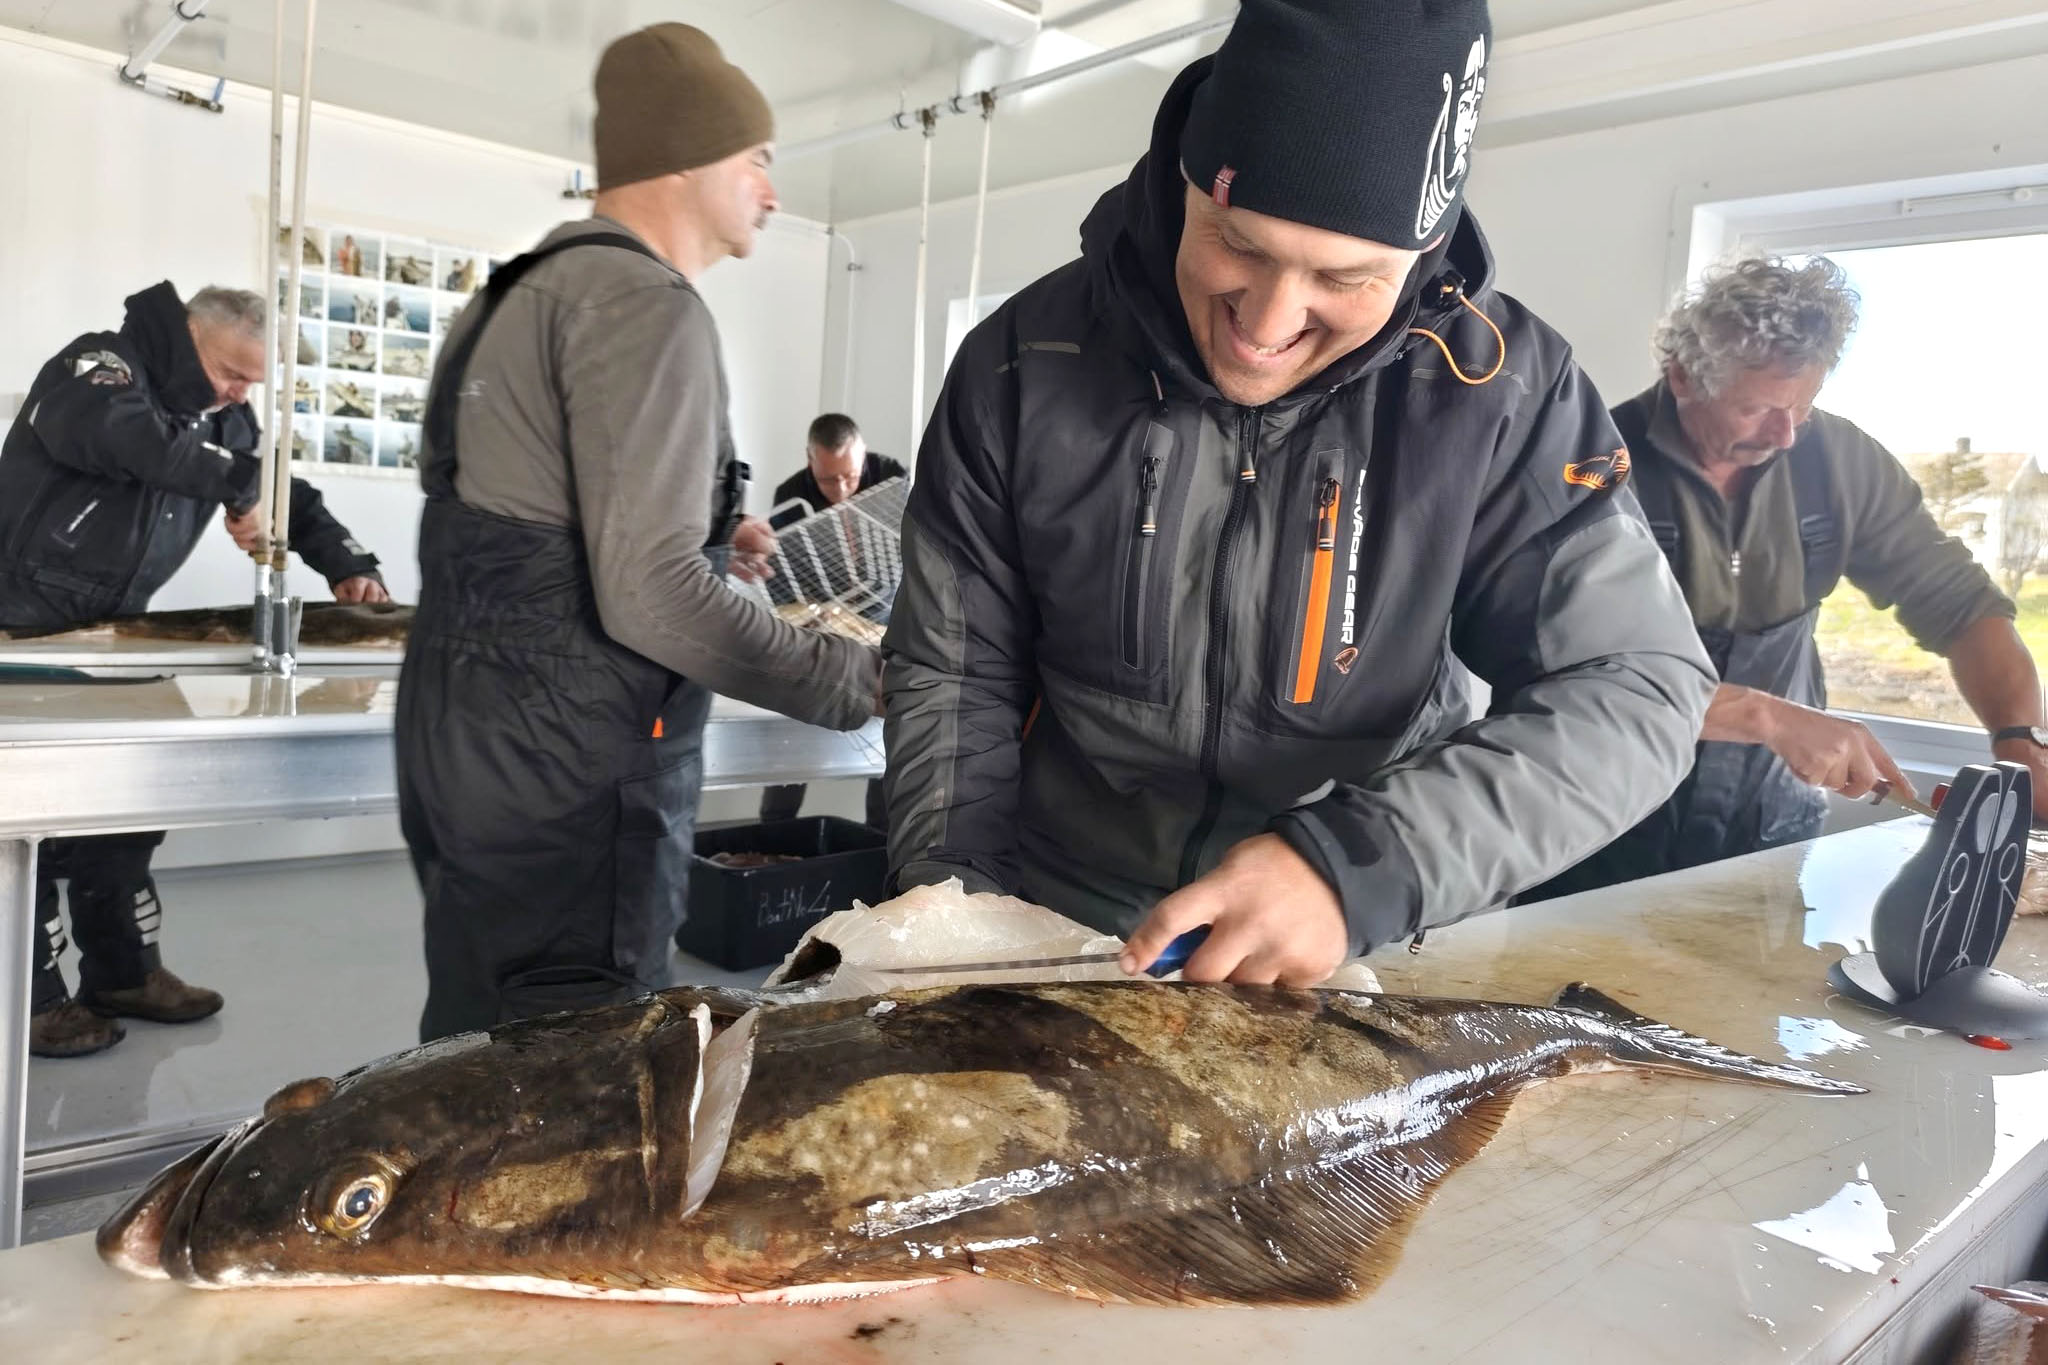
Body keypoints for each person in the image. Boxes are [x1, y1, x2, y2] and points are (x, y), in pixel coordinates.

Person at [882, 0, 1717, 988]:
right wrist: (954, 917)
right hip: (1066, 920)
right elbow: (953, 672)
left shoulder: (1499, 396)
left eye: (1342, 276)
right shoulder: (1021, 364)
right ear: (1182, 180)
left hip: (1350, 934)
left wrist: (1356, 867)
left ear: (1420, 258)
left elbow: (1636, 687)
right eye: (1237, 244)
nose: (1267, 322)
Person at [397, 22, 881, 1042]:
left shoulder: (513, 293)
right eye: (757, 159)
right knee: (573, 1070)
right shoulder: (645, 305)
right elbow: (651, 592)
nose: (771, 190)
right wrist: (845, 678)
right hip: (573, 771)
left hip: (469, 741)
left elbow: (535, 514)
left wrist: (715, 529)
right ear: (689, 159)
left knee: (481, 1035)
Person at [1530, 256, 2047, 899]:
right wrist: (1769, 719)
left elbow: (1960, 605)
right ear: (1684, 377)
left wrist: (2020, 738)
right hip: (1594, 830)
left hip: (1770, 833)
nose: (1785, 433)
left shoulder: (1837, 459)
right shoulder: (1591, 467)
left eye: (1804, 405)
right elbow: (1563, 674)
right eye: (1758, 409)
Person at [0, 283, 388, 1057]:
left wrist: (346, 563)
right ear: (187, 336)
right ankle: (29, 998)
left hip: (114, 632)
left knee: (132, 804)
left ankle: (121, 971)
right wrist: (237, 482)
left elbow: (277, 484)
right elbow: (130, 442)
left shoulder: (218, 418)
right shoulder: (98, 368)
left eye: (251, 383)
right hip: (20, 629)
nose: (239, 393)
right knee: (27, 824)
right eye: (230, 373)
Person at [758, 412, 905, 829]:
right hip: (821, 639)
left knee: (885, 752)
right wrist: (819, 618)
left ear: (863, 457)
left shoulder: (891, 479)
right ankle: (773, 838)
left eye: (850, 476)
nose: (840, 490)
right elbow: (782, 585)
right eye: (827, 480)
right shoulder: (790, 497)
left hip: (882, 632)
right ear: (810, 461)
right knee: (791, 754)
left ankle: (878, 845)